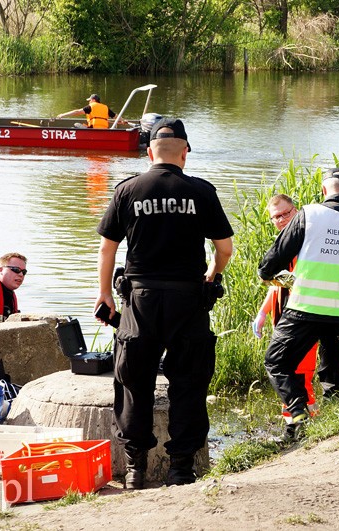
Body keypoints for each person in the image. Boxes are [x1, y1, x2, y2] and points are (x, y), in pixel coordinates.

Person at [95, 118, 233, 490]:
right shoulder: (201, 191)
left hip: (140, 300)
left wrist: (105, 293)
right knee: (189, 383)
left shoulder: (128, 190)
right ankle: (181, 469)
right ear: (184, 153)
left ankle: (136, 469)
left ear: (149, 152)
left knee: (133, 382)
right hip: (188, 299)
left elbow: (107, 248)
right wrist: (211, 275)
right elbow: (224, 249)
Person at [258, 168, 339, 440]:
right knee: (333, 372)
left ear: (324, 190)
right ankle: (335, 427)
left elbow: (275, 258)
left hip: (305, 308)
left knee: (276, 362)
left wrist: (267, 274)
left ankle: (299, 413)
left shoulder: (310, 214)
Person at [252, 194, 319, 420]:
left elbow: (293, 281)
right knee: (287, 374)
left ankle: (304, 426)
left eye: (286, 214)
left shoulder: (305, 245)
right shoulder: (284, 248)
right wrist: (263, 313)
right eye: (275, 217)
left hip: (302, 320)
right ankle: (294, 423)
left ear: (296, 211)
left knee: (299, 374)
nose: (281, 220)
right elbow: (276, 286)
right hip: (284, 322)